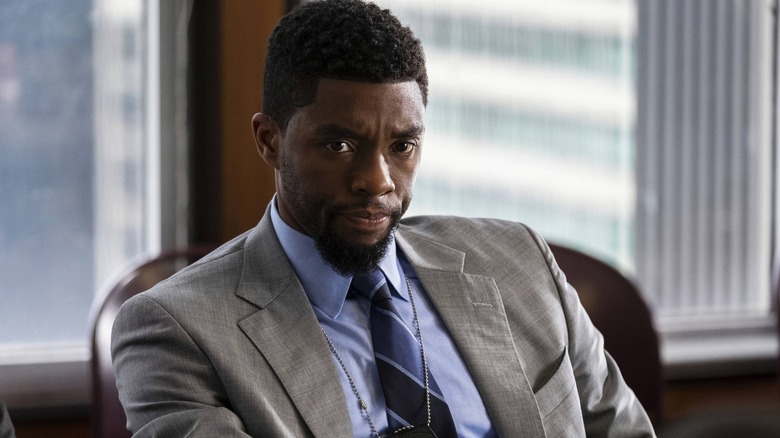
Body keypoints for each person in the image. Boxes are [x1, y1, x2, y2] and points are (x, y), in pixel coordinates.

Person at [111, 1, 656, 437]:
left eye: (402, 146)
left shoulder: (520, 262)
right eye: (340, 144)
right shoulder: (176, 330)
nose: (379, 181)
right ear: (269, 140)